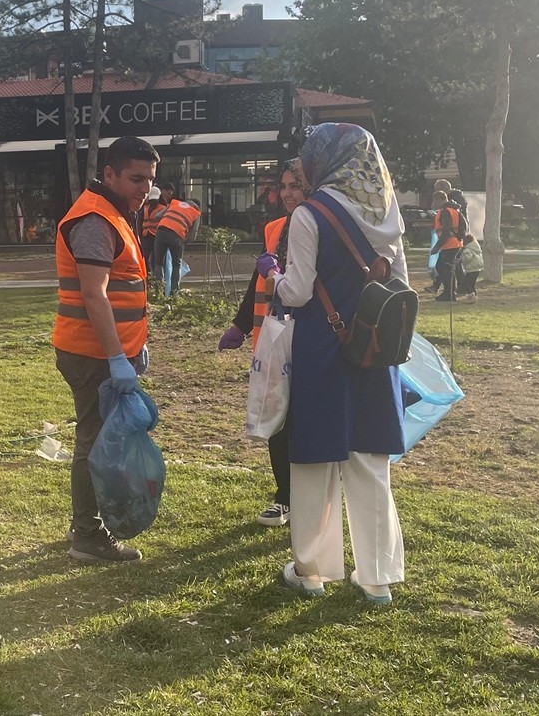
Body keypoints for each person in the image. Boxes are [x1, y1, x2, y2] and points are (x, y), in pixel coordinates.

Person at [261, 122, 406, 605]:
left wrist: (274, 277)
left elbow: (298, 292)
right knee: (370, 458)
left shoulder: (310, 213)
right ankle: (377, 578)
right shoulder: (386, 212)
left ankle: (312, 571)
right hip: (374, 346)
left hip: (322, 346)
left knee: (315, 458)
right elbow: (401, 283)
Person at [54, 135, 159, 564]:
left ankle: (85, 524)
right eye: (136, 179)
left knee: (97, 440)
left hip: (105, 352)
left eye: (149, 180)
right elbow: (94, 294)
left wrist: (135, 346)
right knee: (95, 443)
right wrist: (117, 357)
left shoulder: (113, 214)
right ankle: (88, 534)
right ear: (110, 174)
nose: (144, 189)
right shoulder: (96, 219)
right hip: (93, 354)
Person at [218, 159, 308, 527]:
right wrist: (240, 325)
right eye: (283, 186)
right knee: (276, 414)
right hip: (274, 337)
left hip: (309, 336)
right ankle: (284, 497)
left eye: (295, 186)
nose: (287, 193)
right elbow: (260, 282)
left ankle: (308, 497)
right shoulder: (275, 229)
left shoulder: (319, 226)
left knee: (304, 418)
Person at [153, 190, 201, 296]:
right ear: (197, 207)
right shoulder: (196, 213)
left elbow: (157, 216)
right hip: (177, 236)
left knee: (158, 263)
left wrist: (168, 221)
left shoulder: (174, 203)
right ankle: (174, 293)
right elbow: (193, 234)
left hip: (161, 232)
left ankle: (158, 292)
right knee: (176, 265)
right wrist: (184, 242)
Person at [430, 191, 464, 302]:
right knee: (446, 268)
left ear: (440, 199)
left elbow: (446, 230)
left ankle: (449, 294)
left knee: (443, 268)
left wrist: (437, 246)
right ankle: (450, 292)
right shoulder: (455, 210)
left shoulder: (445, 211)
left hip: (449, 245)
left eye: (434, 201)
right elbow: (463, 226)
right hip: (455, 243)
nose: (433, 203)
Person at [139, 186, 165, 272]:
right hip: (146, 235)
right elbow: (140, 220)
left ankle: (155, 276)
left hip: (157, 236)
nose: (153, 201)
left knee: (156, 259)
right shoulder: (145, 207)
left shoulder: (163, 208)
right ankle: (148, 274)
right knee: (144, 257)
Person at [458, 233, 483, 301]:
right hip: (477, 269)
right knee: (471, 284)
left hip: (471, 269)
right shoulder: (476, 248)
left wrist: (461, 260)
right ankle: (474, 295)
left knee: (467, 284)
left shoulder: (467, 250)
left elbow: (468, 257)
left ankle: (471, 296)